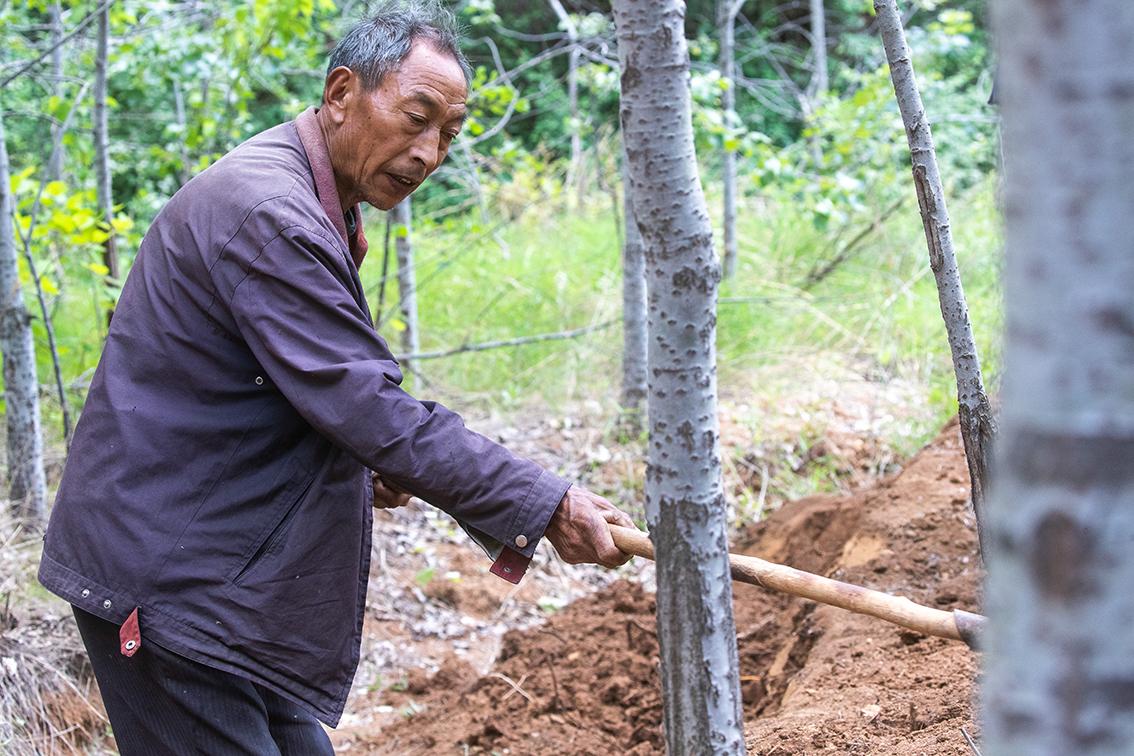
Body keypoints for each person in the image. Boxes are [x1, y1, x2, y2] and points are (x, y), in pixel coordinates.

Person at [38, 3, 637, 752]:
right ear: (343, 93)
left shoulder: (317, 204)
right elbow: (369, 407)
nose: (428, 153)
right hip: (167, 583)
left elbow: (291, 391)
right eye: (416, 118)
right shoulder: (269, 213)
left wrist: (361, 456)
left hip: (223, 575)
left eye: (449, 134)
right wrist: (543, 503)